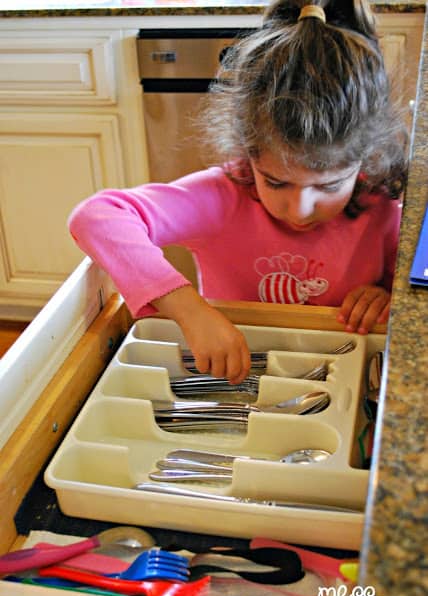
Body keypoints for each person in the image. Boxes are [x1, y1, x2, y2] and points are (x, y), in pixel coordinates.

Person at [69, 0, 407, 384]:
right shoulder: (224, 197)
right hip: (234, 376)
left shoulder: (381, 207)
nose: (299, 208)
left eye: (329, 185)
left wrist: (385, 297)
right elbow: (97, 216)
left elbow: (410, 290)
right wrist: (189, 309)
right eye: (276, 182)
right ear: (248, 153)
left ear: (365, 160)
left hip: (341, 375)